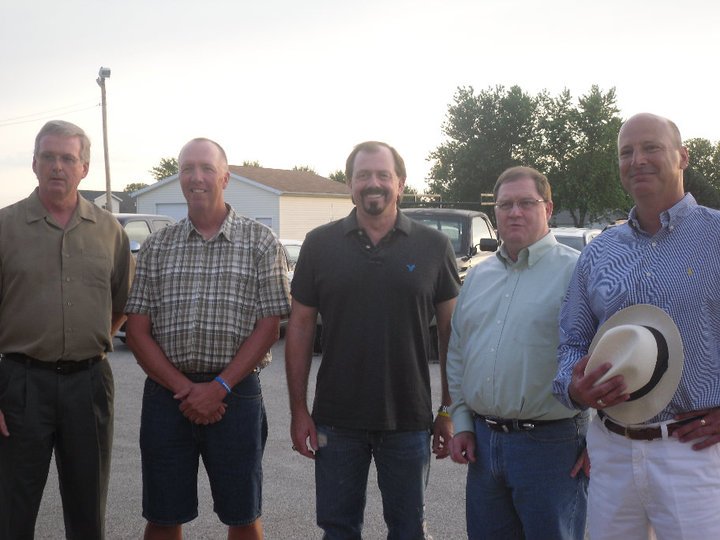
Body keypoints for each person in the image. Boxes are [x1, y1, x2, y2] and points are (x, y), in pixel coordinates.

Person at [553, 112, 720, 539]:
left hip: (694, 451)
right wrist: (574, 388)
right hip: (611, 448)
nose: (637, 160)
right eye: (626, 152)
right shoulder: (600, 251)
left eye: (651, 148)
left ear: (683, 157)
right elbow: (572, 342)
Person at [285, 141, 460, 539]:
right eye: (363, 175)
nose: (373, 183)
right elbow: (299, 328)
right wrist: (298, 411)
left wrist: (450, 409)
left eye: (383, 174)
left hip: (409, 420)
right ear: (350, 184)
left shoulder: (434, 246)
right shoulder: (319, 244)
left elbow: (452, 332)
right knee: (338, 529)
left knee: (408, 529)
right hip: (335, 420)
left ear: (401, 184)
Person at [124, 138, 290, 540]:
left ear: (225, 177)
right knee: (162, 515)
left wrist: (218, 388)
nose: (196, 177)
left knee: (243, 514)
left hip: (235, 394)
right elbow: (138, 330)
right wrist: (185, 389)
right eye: (187, 169)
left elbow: (269, 327)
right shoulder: (157, 246)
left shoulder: (260, 242)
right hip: (167, 395)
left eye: (206, 168)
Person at [0, 120, 132, 539]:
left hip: (88, 386)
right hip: (20, 385)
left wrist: (88, 342)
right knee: (11, 512)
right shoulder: (4, 227)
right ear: (34, 164)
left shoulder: (110, 232)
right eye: (49, 157)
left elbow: (122, 304)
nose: (58, 166)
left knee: (87, 512)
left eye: (67, 158)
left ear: (84, 168)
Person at [447, 166, 588, 540]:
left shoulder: (578, 272)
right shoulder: (478, 278)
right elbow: (458, 352)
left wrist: (601, 441)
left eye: (526, 203)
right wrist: (462, 421)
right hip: (483, 442)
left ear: (548, 208)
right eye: (505, 204)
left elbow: (607, 357)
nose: (514, 212)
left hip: (551, 448)